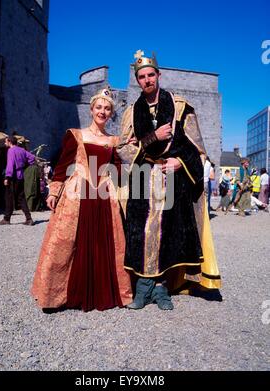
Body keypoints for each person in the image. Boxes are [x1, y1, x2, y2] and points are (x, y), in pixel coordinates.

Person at [117, 50, 221, 311]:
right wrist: (152, 137)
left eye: (151, 75)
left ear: (159, 75)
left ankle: (162, 288)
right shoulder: (132, 112)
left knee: (168, 231)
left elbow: (197, 149)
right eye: (142, 77)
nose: (147, 80)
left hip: (170, 177)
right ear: (138, 80)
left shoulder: (180, 107)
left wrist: (180, 162)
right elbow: (123, 148)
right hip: (143, 175)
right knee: (139, 230)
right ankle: (142, 289)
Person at [31, 88, 132, 312]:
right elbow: (62, 166)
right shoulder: (75, 135)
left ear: (111, 113)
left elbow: (118, 171)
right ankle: (61, 295)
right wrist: (54, 191)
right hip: (77, 195)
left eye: (107, 109)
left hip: (103, 197)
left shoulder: (114, 141)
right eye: (99, 107)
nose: (102, 112)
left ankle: (102, 292)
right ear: (91, 109)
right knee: (70, 242)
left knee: (102, 244)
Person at [0, 136, 35, 225]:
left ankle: (6, 219)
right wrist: (24, 166)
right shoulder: (21, 150)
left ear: (10, 142)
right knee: (21, 198)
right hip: (20, 176)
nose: (5, 143)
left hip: (13, 177)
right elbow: (32, 158)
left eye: (6, 142)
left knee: (9, 197)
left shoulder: (11, 151)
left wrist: (7, 177)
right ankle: (29, 219)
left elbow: (10, 164)